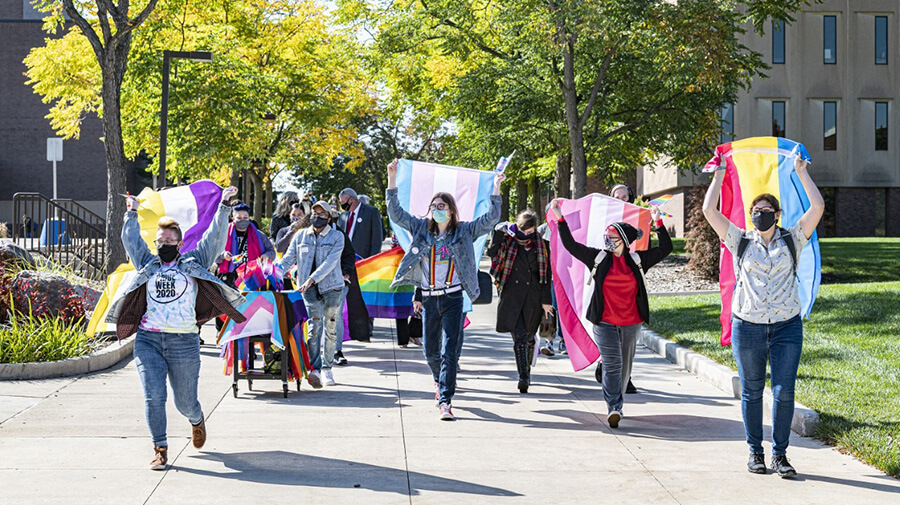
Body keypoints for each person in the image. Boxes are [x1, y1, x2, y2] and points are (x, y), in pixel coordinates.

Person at [702, 156, 824, 478]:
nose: (760, 214)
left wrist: (801, 173)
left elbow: (818, 208)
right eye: (755, 211)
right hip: (749, 326)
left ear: (777, 214)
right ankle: (755, 452)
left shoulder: (792, 239)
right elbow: (708, 211)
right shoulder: (739, 240)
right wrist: (719, 175)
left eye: (766, 210)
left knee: (784, 392)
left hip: (786, 326)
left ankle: (780, 455)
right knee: (752, 391)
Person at [109, 187, 246, 471]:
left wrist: (223, 205)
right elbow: (131, 241)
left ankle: (196, 419)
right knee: (154, 396)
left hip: (184, 342)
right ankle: (160, 448)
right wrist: (131, 212)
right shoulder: (148, 264)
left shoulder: (195, 261)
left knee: (185, 402)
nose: (164, 244)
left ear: (180, 243)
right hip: (149, 340)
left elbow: (215, 238)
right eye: (160, 240)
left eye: (170, 240)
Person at [386, 159, 504, 421]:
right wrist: (392, 180)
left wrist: (495, 188)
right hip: (429, 299)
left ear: (451, 210)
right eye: (434, 206)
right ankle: (440, 381)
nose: (437, 210)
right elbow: (396, 214)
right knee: (430, 352)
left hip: (452, 298)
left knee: (449, 350)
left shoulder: (464, 231)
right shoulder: (420, 228)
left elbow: (491, 219)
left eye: (442, 206)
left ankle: (445, 400)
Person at [550, 199, 671, 429]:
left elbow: (666, 249)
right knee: (613, 363)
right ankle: (614, 406)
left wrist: (658, 222)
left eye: (613, 238)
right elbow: (571, 245)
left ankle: (618, 399)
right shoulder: (599, 258)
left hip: (631, 322)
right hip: (604, 321)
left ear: (624, 242)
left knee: (625, 366)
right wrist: (560, 217)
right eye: (607, 236)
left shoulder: (637, 260)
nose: (608, 241)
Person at [280, 200, 345, 388]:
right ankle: (315, 368)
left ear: (329, 217)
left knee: (330, 329)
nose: (317, 217)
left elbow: (331, 263)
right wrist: (270, 273)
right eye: (314, 214)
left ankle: (328, 368)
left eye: (322, 214)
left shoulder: (337, 237)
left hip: (332, 287)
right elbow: (287, 260)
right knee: (314, 327)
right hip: (307, 290)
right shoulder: (301, 236)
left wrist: (312, 278)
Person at [487, 209, 553, 393]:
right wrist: (498, 234)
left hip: (533, 297)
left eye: (530, 231)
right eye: (523, 230)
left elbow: (547, 275)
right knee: (520, 337)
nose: (526, 235)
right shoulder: (507, 240)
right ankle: (523, 376)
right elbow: (492, 253)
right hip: (512, 296)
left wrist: (546, 300)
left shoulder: (542, 245)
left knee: (530, 336)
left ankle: (527, 368)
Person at [337, 187, 384, 355]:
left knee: (364, 297)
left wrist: (372, 260)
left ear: (351, 199)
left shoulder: (371, 212)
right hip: (347, 262)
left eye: (343, 202)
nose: (342, 206)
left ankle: (365, 331)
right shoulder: (343, 216)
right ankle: (352, 331)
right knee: (349, 298)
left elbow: (376, 237)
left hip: (364, 261)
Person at [606, 183, 638, 394]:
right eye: (617, 196)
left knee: (627, 337)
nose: (621, 200)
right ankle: (606, 366)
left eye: (625, 196)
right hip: (609, 282)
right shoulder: (605, 218)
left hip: (631, 281)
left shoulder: (637, 217)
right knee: (609, 332)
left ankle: (626, 377)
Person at [216, 203, 276, 289]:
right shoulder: (223, 234)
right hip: (229, 277)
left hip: (253, 277)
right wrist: (223, 255)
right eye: (239, 218)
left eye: (245, 218)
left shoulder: (259, 235)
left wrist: (266, 255)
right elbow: (213, 256)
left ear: (249, 218)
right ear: (233, 219)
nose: (242, 220)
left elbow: (272, 252)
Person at [537, 203, 565, 356]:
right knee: (550, 309)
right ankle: (549, 342)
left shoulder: (567, 228)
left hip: (566, 278)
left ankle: (564, 342)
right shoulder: (542, 230)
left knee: (564, 311)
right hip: (550, 278)